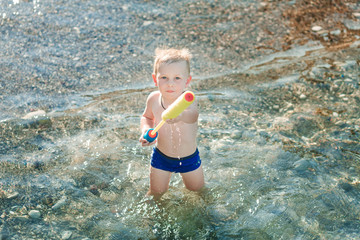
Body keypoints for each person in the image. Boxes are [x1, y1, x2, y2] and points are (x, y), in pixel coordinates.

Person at [139, 48, 204, 199]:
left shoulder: (188, 100)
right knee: (156, 194)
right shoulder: (154, 99)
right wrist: (146, 130)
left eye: (177, 78)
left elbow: (193, 116)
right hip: (161, 157)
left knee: (199, 193)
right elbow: (146, 117)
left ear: (187, 80)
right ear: (155, 79)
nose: (170, 84)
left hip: (189, 158)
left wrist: (180, 115)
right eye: (164, 78)